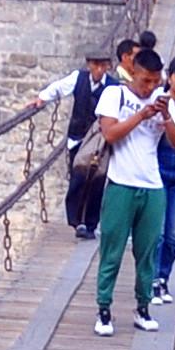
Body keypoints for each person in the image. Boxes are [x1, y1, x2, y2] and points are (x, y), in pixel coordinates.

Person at [90, 41, 175, 336]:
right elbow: (110, 133)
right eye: (145, 81)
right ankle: (103, 308)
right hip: (121, 182)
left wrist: (164, 114)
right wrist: (141, 114)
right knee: (112, 248)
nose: (149, 87)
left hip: (152, 184)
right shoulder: (115, 94)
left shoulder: (164, 99)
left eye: (155, 82)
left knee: (147, 250)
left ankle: (143, 307)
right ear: (133, 73)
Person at [60, 43, 114, 240]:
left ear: (107, 66)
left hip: (101, 141)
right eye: (95, 65)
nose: (99, 69)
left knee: (97, 180)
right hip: (78, 138)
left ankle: (90, 223)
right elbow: (59, 88)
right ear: (89, 65)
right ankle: (76, 220)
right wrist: (41, 99)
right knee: (78, 178)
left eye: (103, 65)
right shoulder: (78, 79)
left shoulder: (114, 87)